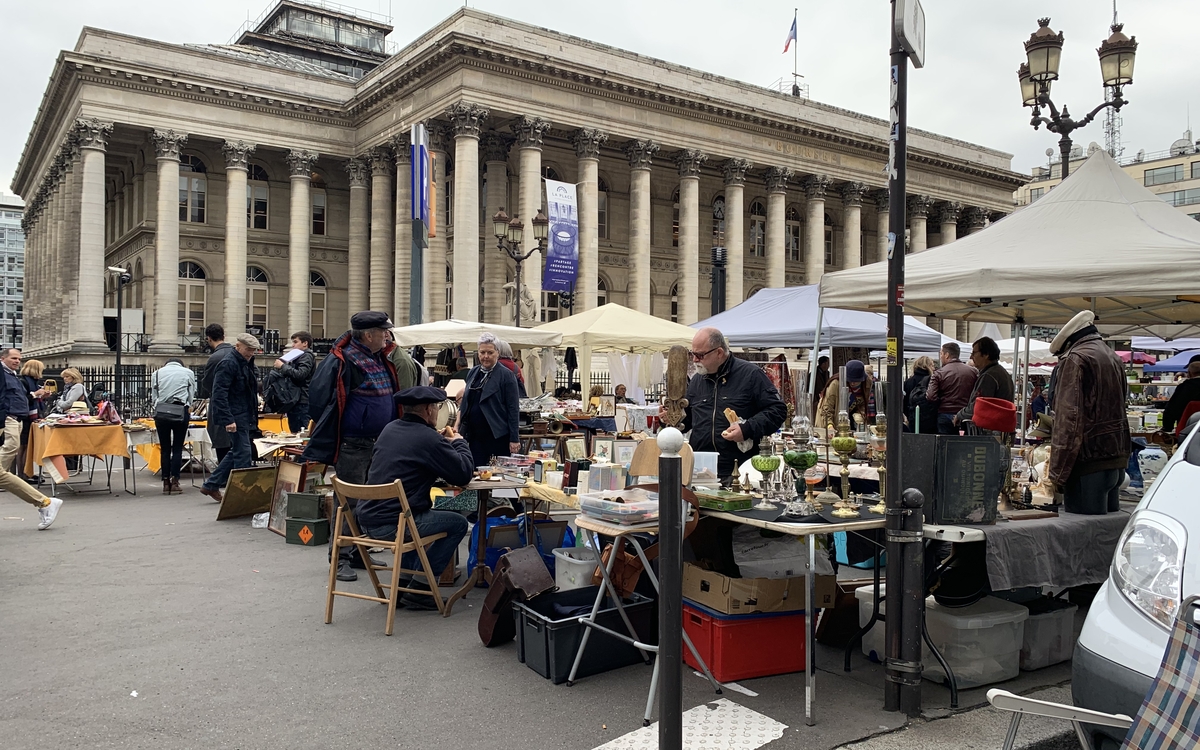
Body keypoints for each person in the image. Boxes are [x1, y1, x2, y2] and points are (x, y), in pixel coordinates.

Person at [304, 311, 403, 583]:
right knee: (346, 501)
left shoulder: (378, 356)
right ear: (368, 335)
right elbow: (318, 398)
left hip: (377, 441)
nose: (387, 335)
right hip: (353, 442)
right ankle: (340, 557)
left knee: (366, 500)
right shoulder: (344, 358)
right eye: (383, 331)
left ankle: (359, 551)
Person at [359, 386, 474, 609]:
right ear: (428, 410)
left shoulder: (390, 429)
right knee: (457, 523)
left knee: (413, 515)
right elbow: (463, 474)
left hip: (367, 518)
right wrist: (458, 441)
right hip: (394, 523)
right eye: (437, 407)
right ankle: (421, 587)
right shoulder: (427, 438)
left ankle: (403, 584)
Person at [1047, 311, 1131, 515]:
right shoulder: (1112, 356)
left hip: (1087, 464)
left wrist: (1057, 473)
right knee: (1107, 531)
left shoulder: (1075, 359)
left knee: (1082, 534)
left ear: (1067, 343)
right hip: (1115, 459)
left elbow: (1069, 421)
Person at [681, 327, 787, 478]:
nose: (695, 360)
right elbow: (687, 420)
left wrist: (747, 429)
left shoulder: (750, 374)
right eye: (693, 354)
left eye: (700, 355)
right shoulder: (697, 381)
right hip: (700, 468)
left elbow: (778, 410)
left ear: (718, 352)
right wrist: (669, 419)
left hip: (739, 469)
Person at [0, 349, 61, 529]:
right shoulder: (10, 375)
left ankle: (45, 502)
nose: (17, 361)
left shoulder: (12, 376)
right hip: (10, 419)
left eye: (19, 358)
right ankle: (45, 503)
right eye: (14, 358)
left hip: (13, 420)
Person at [198, 333, 260, 503]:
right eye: (248, 349)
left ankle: (211, 484)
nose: (251, 353)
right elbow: (219, 393)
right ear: (238, 346)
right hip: (236, 414)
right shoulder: (228, 363)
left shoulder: (244, 362)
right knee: (243, 454)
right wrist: (228, 419)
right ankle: (242, 495)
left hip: (243, 413)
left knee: (238, 451)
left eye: (253, 350)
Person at [456, 333, 521, 468]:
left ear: (497, 353)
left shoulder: (507, 376)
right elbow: (465, 403)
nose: (486, 356)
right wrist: (458, 425)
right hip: (474, 436)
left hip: (497, 436)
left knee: (496, 476)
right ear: (478, 353)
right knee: (474, 473)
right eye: (482, 352)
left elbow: (513, 409)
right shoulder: (473, 373)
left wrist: (514, 439)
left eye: (490, 352)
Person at [151, 358, 197, 495]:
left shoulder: (157, 373)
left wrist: (157, 405)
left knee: (165, 448)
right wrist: (188, 405)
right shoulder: (188, 372)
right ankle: (175, 481)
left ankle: (165, 482)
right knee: (177, 446)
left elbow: (155, 395)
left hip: (162, 411)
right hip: (180, 410)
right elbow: (191, 394)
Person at [956, 336, 1015, 428]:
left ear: (986, 354)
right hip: (1000, 427)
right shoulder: (999, 372)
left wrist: (959, 415)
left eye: (974, 353)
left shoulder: (989, 376)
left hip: (991, 429)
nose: (971, 356)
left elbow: (978, 406)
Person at [200, 324, 235, 461]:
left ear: (208, 339)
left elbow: (208, 383)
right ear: (223, 336)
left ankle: (222, 480)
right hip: (238, 406)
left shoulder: (215, 358)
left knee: (223, 448)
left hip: (220, 405)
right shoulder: (236, 354)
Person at [926, 342, 977, 435]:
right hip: (965, 415)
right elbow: (977, 394)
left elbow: (930, 396)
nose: (940, 357)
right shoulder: (973, 372)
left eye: (941, 353)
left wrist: (941, 402)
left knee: (945, 445)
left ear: (947, 355)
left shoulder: (939, 373)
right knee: (966, 445)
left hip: (945, 413)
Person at [274, 330, 315, 433]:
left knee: (300, 432)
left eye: (295, 342)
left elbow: (301, 374)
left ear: (305, 343)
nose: (293, 345)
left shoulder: (306, 356)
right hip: (297, 399)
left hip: (301, 400)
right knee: (296, 431)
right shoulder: (299, 356)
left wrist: (283, 366)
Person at [816, 359, 872, 429]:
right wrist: (830, 426)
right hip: (825, 420)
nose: (852, 383)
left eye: (855, 381)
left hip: (847, 418)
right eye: (850, 380)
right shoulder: (835, 384)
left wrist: (860, 415)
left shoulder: (866, 384)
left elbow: (863, 404)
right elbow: (826, 408)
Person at [17, 359, 46, 482]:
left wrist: (42, 396)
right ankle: (23, 475)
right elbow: (22, 400)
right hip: (25, 417)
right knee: (23, 446)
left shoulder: (33, 382)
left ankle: (27, 472)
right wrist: (35, 394)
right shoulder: (23, 382)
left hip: (31, 416)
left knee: (27, 446)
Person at [1162, 356, 1200, 434]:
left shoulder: (1185, 387)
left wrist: (1167, 428)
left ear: (1190, 373)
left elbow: (1171, 409)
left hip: (1186, 431)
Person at [904, 356, 939, 434]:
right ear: (927, 366)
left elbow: (904, 402)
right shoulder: (932, 381)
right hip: (929, 420)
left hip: (913, 418)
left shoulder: (908, 382)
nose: (934, 368)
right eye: (932, 365)